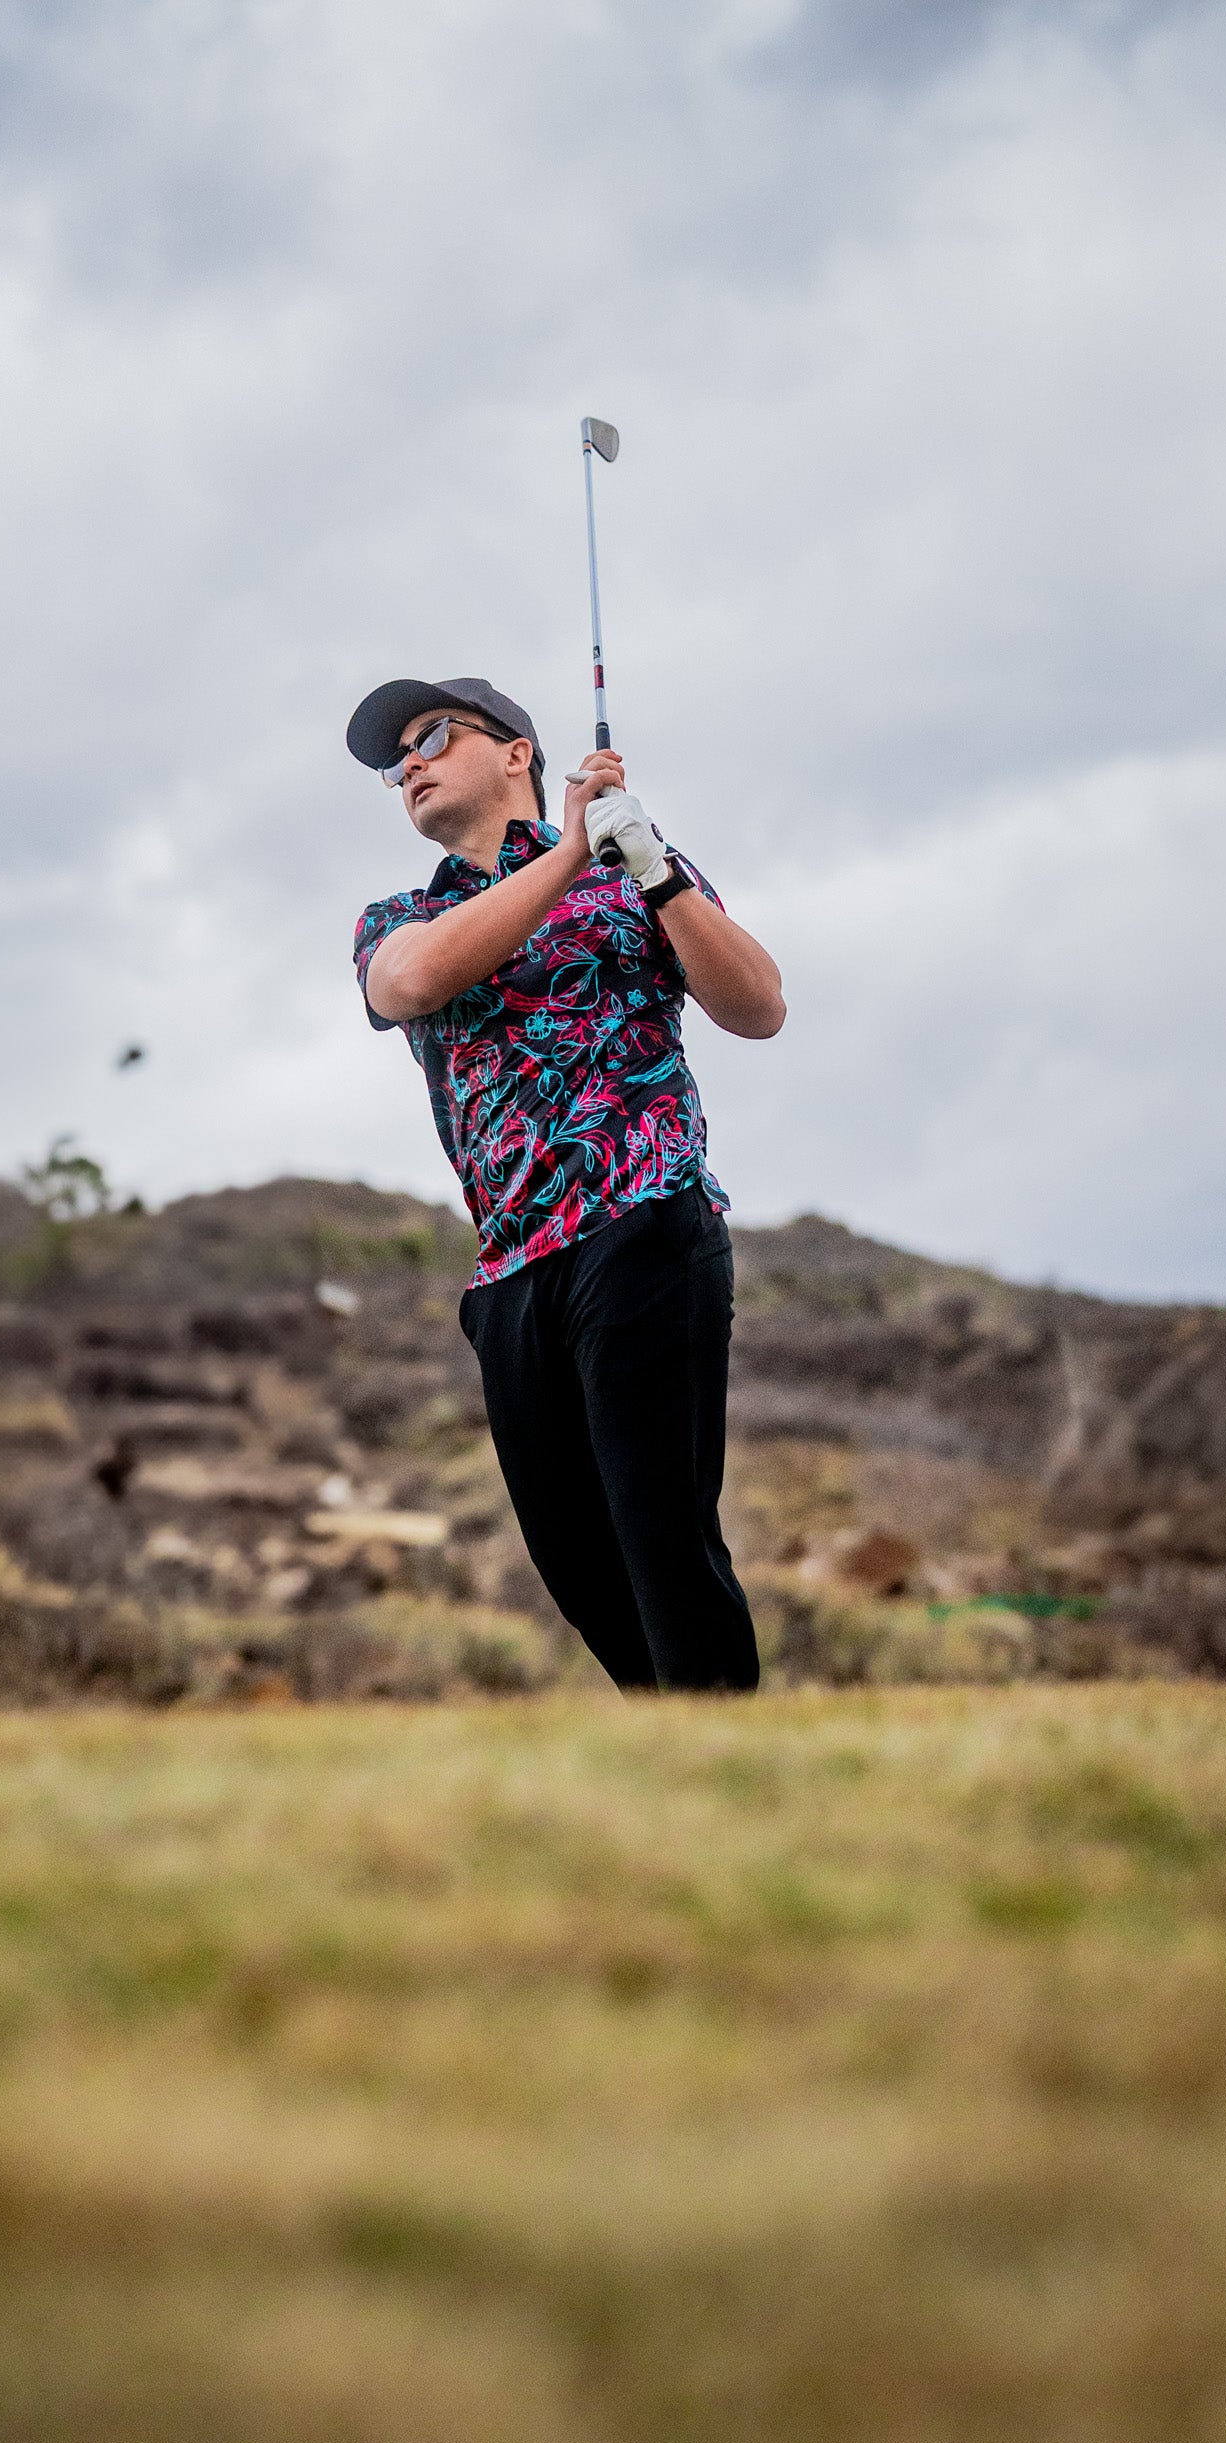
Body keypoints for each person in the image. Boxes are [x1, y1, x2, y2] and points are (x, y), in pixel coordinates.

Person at [345, 676, 785, 1693]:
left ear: (514, 755)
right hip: (508, 1268)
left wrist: (650, 867)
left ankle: (729, 1776)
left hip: (643, 1219)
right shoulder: (397, 918)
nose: (406, 762)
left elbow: (756, 1006)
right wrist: (568, 854)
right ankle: (688, 1749)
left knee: (660, 1537)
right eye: (392, 759)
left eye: (431, 736)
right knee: (577, 1566)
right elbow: (412, 984)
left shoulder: (634, 871)